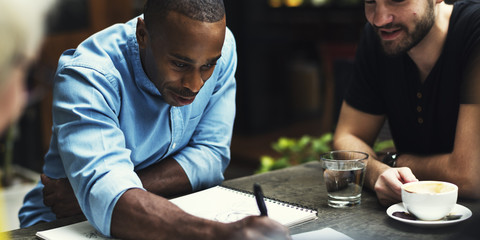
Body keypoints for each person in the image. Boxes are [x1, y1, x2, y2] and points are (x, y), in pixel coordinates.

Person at [18, 0, 291, 239]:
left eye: (207, 66)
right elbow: (109, 198)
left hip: (165, 214)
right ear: (143, 35)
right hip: (61, 225)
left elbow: (211, 155)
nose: (195, 85)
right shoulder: (89, 76)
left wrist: (96, 193)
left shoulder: (221, 46)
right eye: (180, 64)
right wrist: (222, 235)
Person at [333, 0, 480, 207]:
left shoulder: (474, 28)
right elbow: (347, 136)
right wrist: (377, 173)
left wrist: (393, 161)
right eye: (370, 2)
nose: (379, 19)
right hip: (412, 217)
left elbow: (471, 176)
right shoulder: (378, 37)